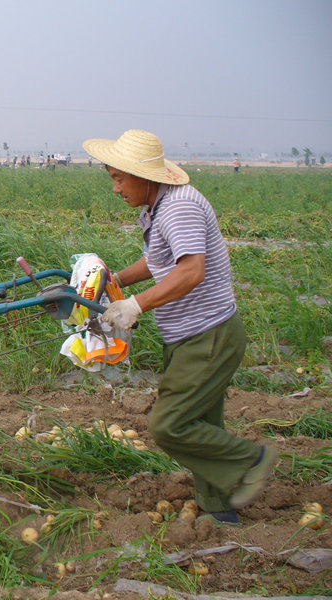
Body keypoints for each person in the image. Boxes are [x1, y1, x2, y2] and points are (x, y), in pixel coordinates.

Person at [83, 129, 277, 525]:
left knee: (170, 425)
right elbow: (157, 264)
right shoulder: (157, 207)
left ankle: (252, 459)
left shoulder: (179, 208)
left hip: (208, 334)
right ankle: (220, 512)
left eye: (119, 179)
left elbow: (191, 271)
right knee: (204, 424)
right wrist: (109, 283)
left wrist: (135, 305)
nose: (116, 189)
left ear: (143, 175)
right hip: (191, 334)